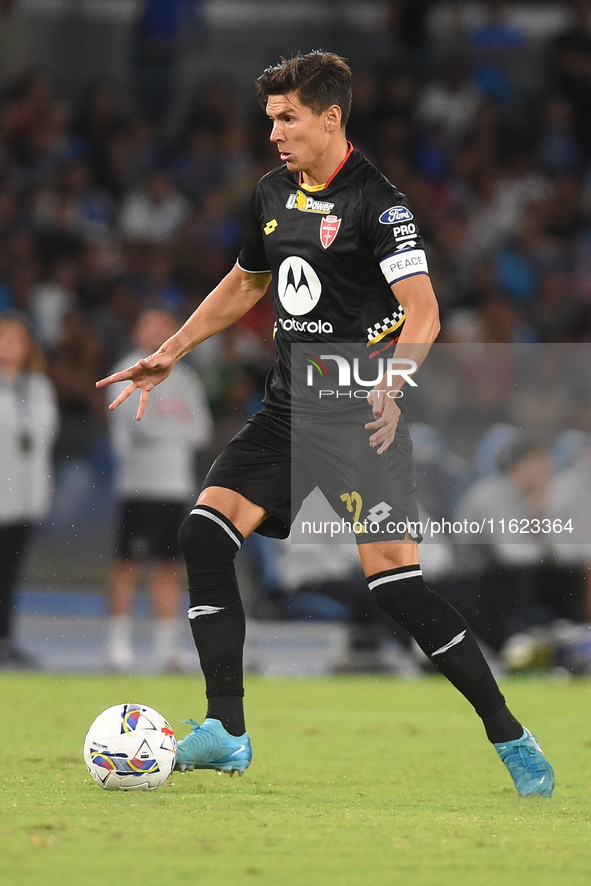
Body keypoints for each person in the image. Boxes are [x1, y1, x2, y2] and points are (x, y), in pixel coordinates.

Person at [97, 52, 554, 797]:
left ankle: (506, 730)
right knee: (201, 532)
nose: (273, 132)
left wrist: (393, 382)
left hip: (360, 421)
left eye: (287, 118)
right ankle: (227, 732)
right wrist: (172, 351)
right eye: (270, 118)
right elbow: (247, 280)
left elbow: (425, 310)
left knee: (397, 588)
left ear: (331, 117)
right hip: (287, 412)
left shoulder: (381, 204)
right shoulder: (272, 194)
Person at [105, 303, 213, 671]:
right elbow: (132, 430)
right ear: (137, 331)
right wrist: (173, 425)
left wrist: (163, 424)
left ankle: (167, 648)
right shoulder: (127, 371)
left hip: (174, 486)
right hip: (138, 485)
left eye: (162, 326)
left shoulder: (186, 378)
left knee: (169, 566)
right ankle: (118, 645)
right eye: (148, 325)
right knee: (127, 564)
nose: (155, 334)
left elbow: (202, 431)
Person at [0, 312, 59, 668]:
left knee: (8, 572)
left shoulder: (38, 386)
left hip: (24, 497)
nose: (9, 346)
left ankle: (5, 639)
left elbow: (43, 434)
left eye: (16, 339)